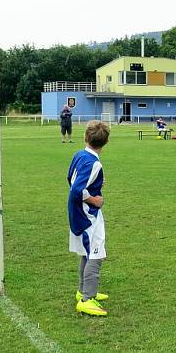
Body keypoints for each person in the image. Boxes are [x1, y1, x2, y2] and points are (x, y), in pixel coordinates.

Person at [68, 120, 111, 316]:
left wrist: (95, 184)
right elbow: (76, 190)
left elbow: (71, 178)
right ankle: (87, 299)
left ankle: (82, 291)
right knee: (96, 254)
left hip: (80, 213)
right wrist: (94, 199)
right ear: (106, 142)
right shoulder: (93, 163)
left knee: (87, 253)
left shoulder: (79, 154)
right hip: (87, 216)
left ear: (85, 137)